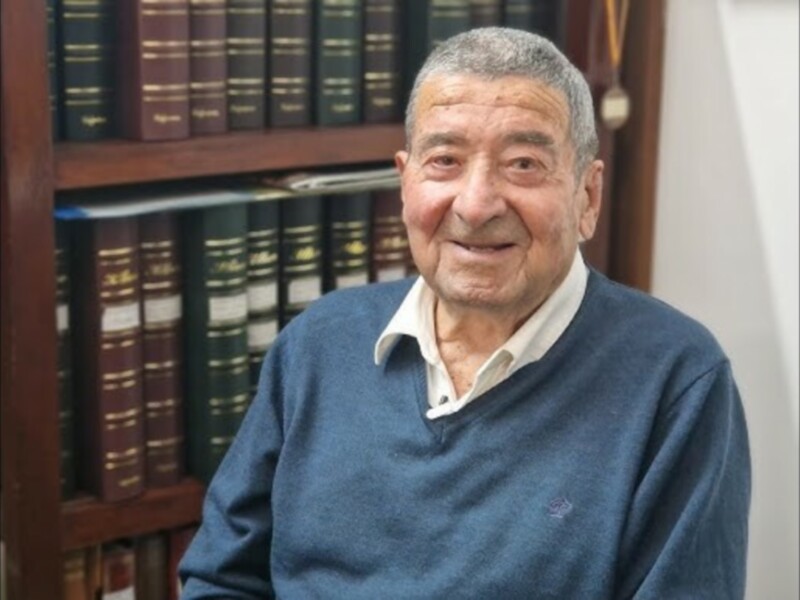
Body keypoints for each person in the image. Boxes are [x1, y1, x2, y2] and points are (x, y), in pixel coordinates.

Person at [179, 27, 751, 599]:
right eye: (445, 160)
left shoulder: (677, 382)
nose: (476, 205)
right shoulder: (317, 345)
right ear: (405, 182)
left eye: (524, 164)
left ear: (588, 196)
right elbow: (220, 578)